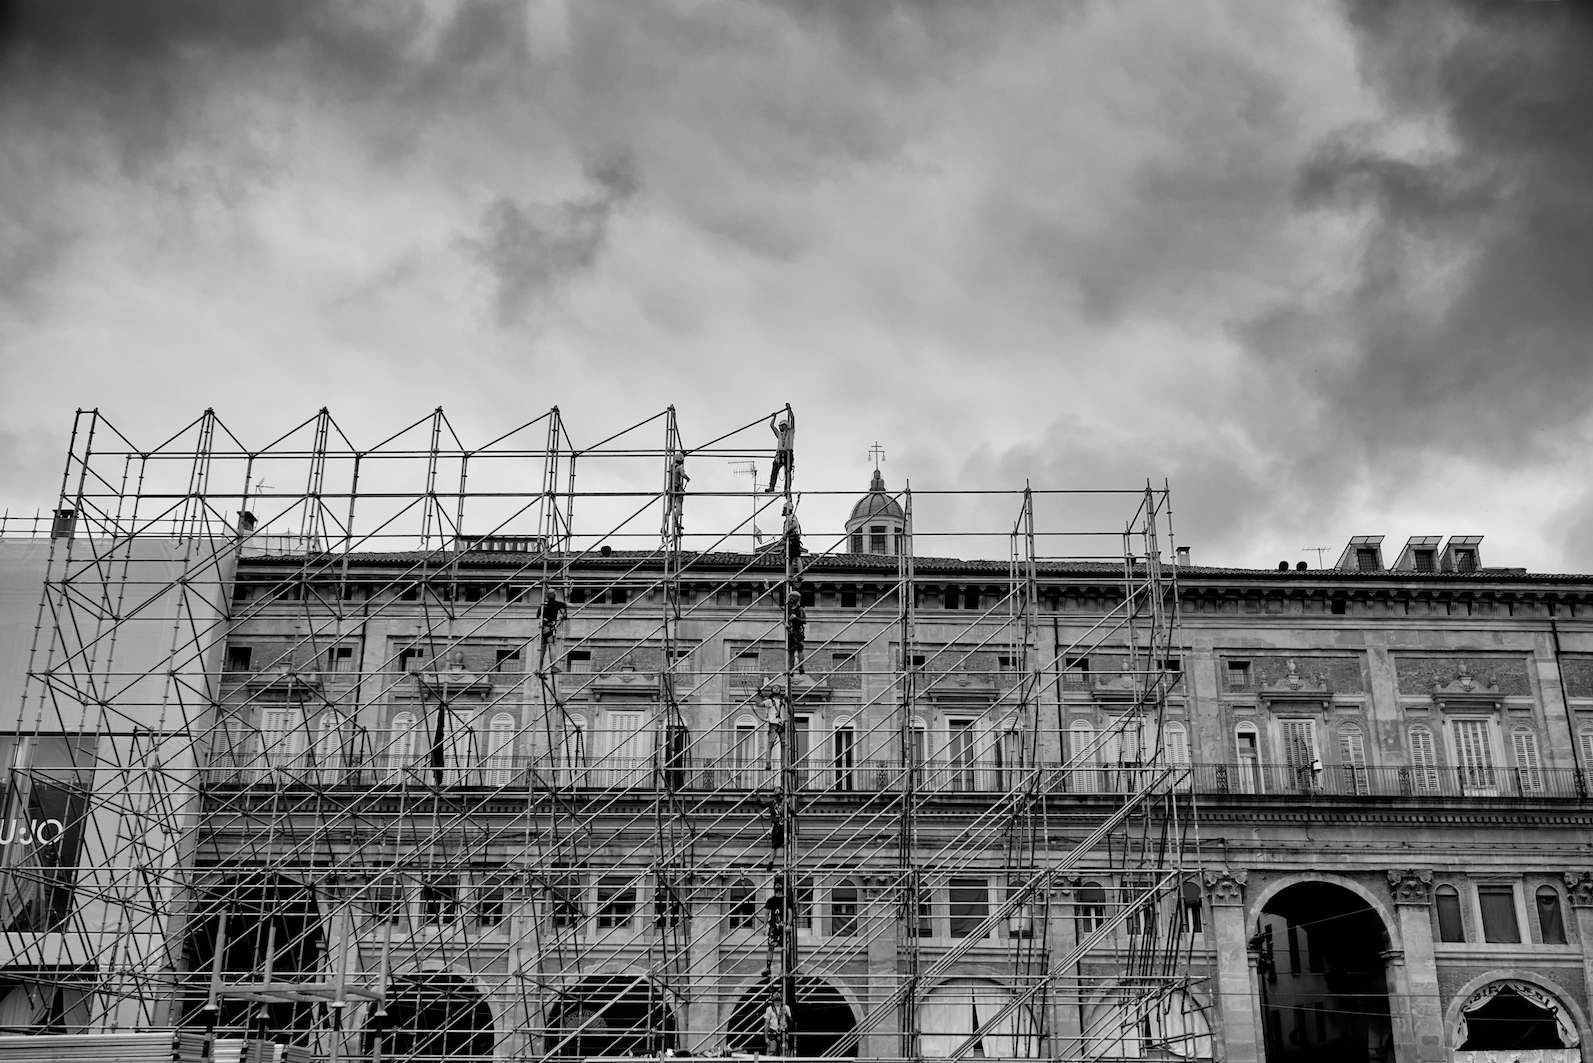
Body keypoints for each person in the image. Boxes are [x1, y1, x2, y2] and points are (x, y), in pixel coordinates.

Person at [765, 406, 795, 494]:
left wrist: (790, 410)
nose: (780, 428)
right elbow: (771, 426)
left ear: (785, 426)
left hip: (788, 454)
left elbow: (792, 419)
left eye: (781, 426)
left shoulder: (790, 432)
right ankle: (771, 486)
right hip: (780, 454)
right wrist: (774, 417)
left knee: (788, 472)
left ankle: (787, 488)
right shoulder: (779, 435)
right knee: (775, 469)